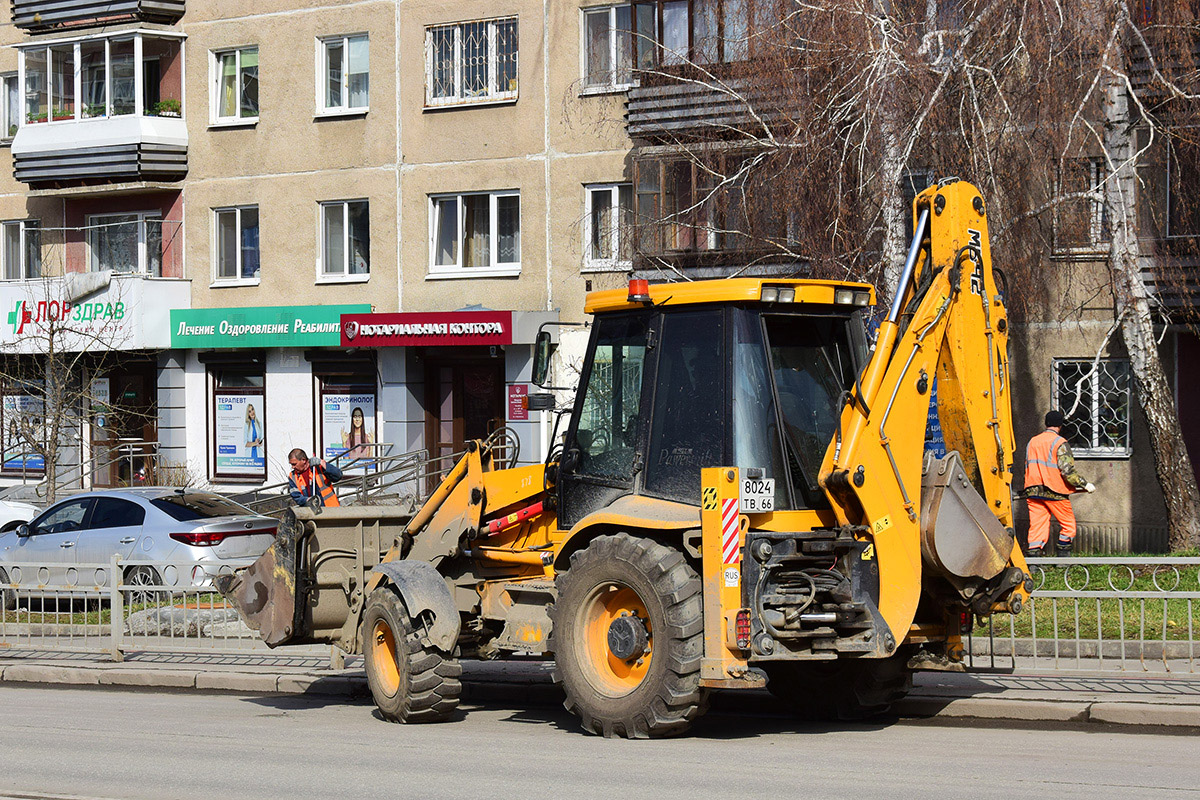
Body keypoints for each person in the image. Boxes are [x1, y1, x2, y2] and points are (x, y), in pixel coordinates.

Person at [1022, 409, 1095, 557]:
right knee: (1068, 526)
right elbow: (1067, 471)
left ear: (1046, 424)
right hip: (1054, 491)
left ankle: (1034, 564)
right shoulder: (1059, 442)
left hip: (1033, 490)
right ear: (1060, 426)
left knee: (1037, 526)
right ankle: (1063, 560)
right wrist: (1084, 484)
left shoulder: (1032, 441)